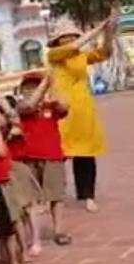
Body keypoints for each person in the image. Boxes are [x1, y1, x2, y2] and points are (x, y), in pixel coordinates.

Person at [47, 11, 117, 212]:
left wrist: (108, 32)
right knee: (56, 159)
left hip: (83, 111)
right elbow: (73, 47)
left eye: (72, 36)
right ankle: (51, 198)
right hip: (61, 112)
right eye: (65, 37)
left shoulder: (81, 57)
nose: (70, 39)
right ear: (57, 41)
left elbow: (105, 53)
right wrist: (100, 27)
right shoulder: (55, 55)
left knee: (85, 156)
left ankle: (87, 196)